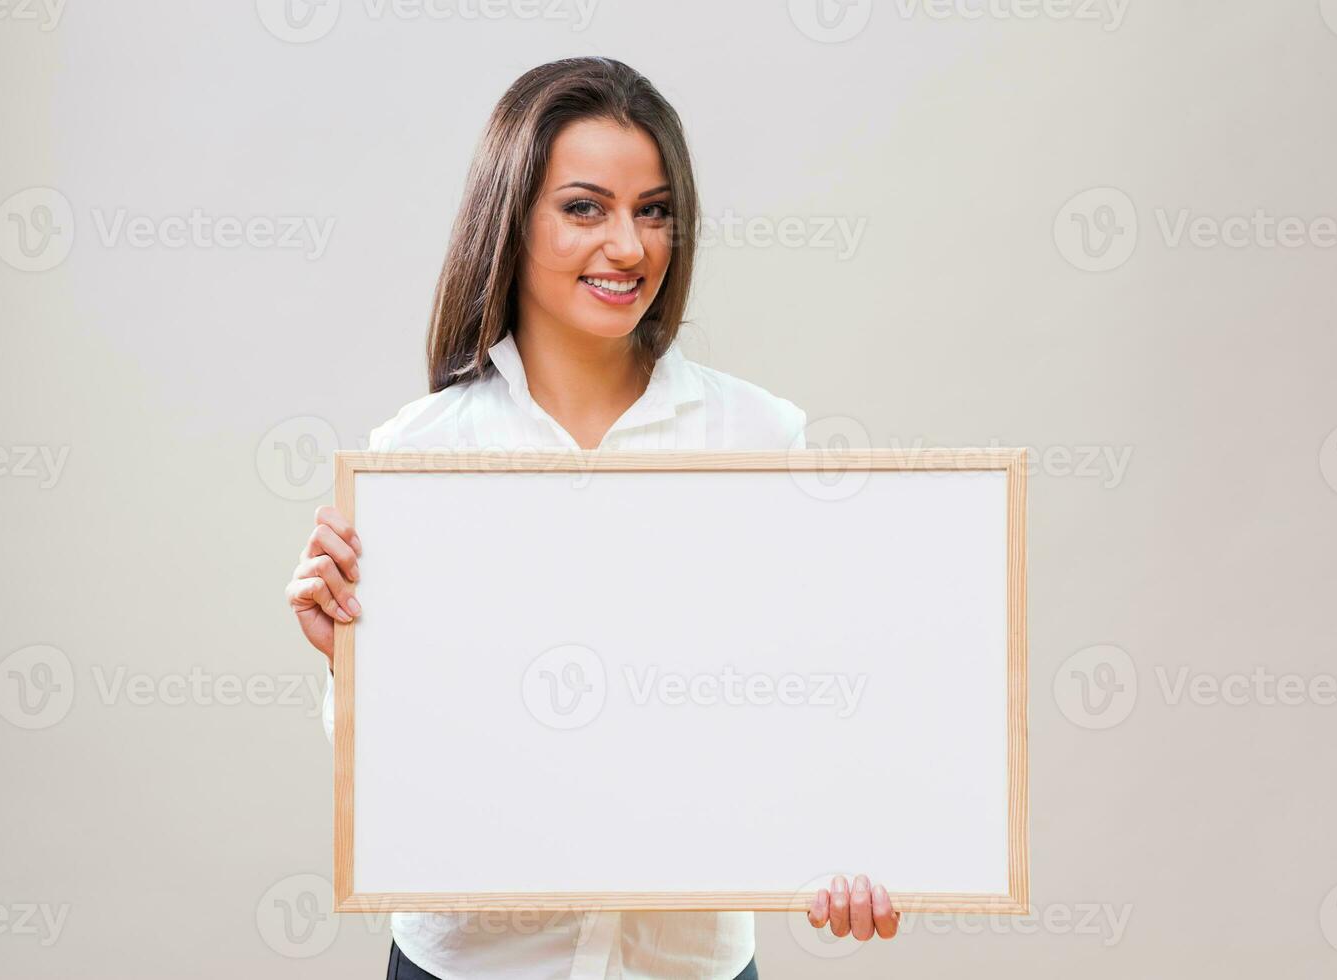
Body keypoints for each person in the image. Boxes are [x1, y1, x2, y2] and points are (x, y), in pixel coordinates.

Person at [285, 56, 900, 980]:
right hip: (473, 963)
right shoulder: (418, 454)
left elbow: (808, 697)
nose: (628, 246)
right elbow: (401, 784)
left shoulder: (761, 438)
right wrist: (350, 656)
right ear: (512, 218)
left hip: (686, 962)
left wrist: (849, 844)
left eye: (653, 210)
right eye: (585, 208)